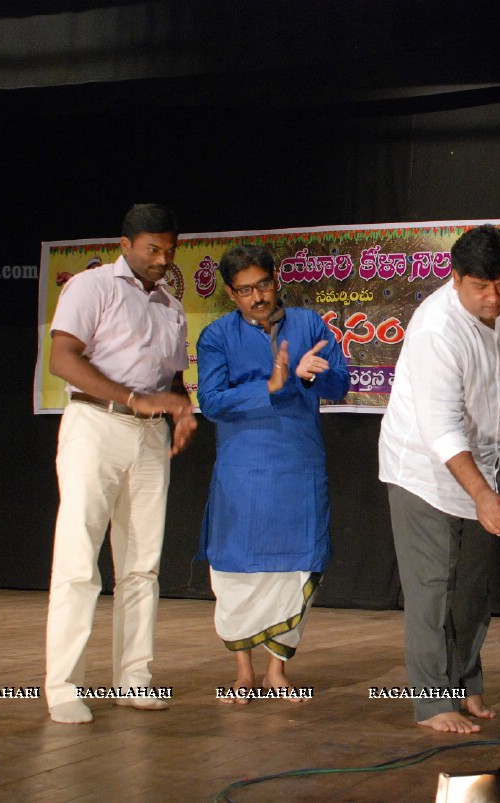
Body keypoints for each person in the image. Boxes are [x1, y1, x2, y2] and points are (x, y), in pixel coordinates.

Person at [378, 224, 500, 733]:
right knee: (432, 588)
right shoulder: (436, 330)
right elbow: (442, 429)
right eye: (480, 287)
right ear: (455, 279)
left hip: (482, 468)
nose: (493, 297)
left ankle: (466, 686)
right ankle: (433, 703)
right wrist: (483, 495)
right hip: (424, 472)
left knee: (473, 589)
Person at [44, 204, 197, 724]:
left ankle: (134, 677)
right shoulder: (92, 288)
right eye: (153, 249)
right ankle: (63, 686)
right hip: (96, 426)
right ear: (126, 244)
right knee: (79, 558)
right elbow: (62, 357)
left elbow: (172, 380)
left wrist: (180, 408)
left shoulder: (171, 305)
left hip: (150, 437)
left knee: (142, 565)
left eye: (169, 250)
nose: (162, 258)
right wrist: (135, 399)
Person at [196, 244, 348, 701]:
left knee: (295, 565)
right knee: (237, 568)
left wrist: (304, 377)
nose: (256, 296)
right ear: (230, 293)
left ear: (276, 280)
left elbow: (339, 381)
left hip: (298, 464)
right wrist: (272, 385)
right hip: (243, 466)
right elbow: (213, 401)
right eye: (244, 290)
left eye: (263, 284)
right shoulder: (216, 336)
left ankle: (276, 672)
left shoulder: (310, 325)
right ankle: (243, 672)